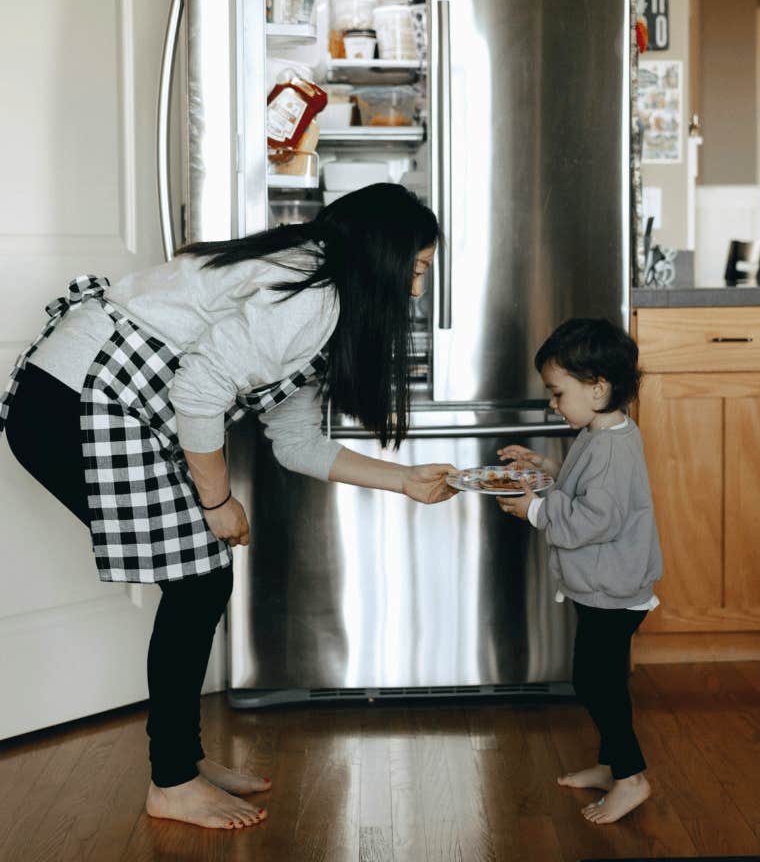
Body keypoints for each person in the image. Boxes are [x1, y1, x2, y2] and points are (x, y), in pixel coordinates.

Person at [1, 183, 457, 832]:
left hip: (85, 399)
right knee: (199, 581)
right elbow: (201, 389)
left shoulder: (316, 290)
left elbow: (297, 444)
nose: (416, 291)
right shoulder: (312, 297)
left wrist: (405, 480)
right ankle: (172, 781)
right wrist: (217, 502)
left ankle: (182, 762)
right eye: (415, 269)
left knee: (201, 580)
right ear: (379, 257)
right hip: (75, 404)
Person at [495, 317, 662, 826]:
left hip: (613, 590)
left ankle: (631, 777)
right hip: (603, 586)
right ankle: (613, 766)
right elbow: (584, 487)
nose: (552, 403)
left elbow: (595, 519)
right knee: (600, 680)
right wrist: (543, 467)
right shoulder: (603, 431)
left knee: (595, 684)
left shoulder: (609, 447)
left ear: (598, 388)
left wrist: (535, 510)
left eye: (557, 393)